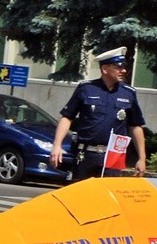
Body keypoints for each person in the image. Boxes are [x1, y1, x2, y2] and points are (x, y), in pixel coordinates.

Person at [50, 46, 146, 181]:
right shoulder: (86, 89)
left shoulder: (128, 93)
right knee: (81, 196)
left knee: (108, 198)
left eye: (124, 67)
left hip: (114, 155)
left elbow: (135, 126)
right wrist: (57, 146)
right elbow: (67, 117)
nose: (123, 71)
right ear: (105, 69)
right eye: (118, 67)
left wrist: (142, 158)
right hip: (86, 153)